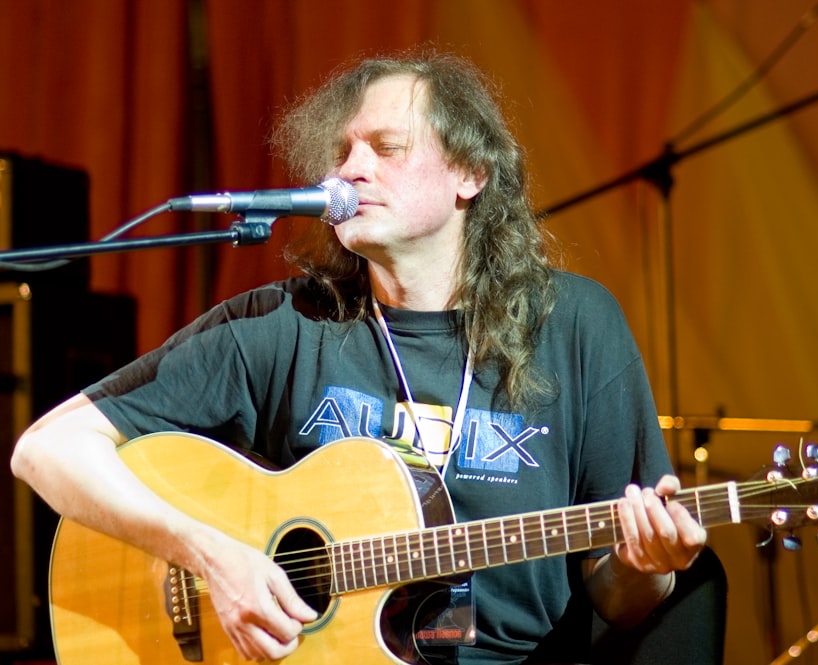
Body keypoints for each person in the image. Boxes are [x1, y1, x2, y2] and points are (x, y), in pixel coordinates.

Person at [10, 49, 707, 664]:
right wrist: (209, 554)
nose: (352, 169)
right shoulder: (285, 324)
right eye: (344, 152)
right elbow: (46, 448)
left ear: (468, 172)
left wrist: (649, 564)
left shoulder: (576, 325)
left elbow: (622, 601)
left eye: (386, 147)